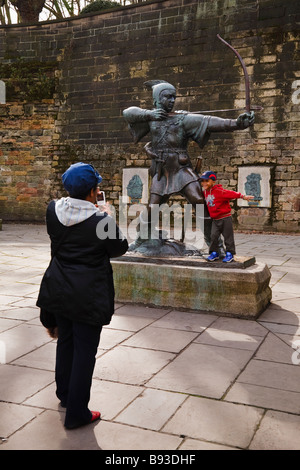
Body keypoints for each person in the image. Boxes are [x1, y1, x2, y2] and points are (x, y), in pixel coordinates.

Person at [36, 162, 128, 429]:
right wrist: (107, 214)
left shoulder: (53, 210)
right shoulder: (101, 220)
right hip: (88, 294)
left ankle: (65, 396)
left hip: (60, 290)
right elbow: (119, 248)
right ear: (92, 191)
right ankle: (77, 413)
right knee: (84, 351)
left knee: (65, 343)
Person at [123, 80, 254, 250]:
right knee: (152, 207)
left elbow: (209, 122)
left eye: (173, 97)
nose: (172, 100)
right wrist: (150, 114)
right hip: (162, 171)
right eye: (167, 97)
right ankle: (142, 238)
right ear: (156, 99)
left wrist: (237, 124)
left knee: (199, 200)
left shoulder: (182, 119)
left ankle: (215, 245)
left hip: (181, 169)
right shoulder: (151, 119)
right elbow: (128, 113)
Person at [200, 170, 254, 262]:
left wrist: (243, 196)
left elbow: (232, 193)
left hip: (225, 218)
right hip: (215, 220)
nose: (204, 183)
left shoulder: (220, 191)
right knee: (213, 236)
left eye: (207, 181)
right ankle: (214, 253)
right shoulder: (205, 192)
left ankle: (230, 253)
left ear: (213, 181)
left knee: (228, 237)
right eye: (203, 181)